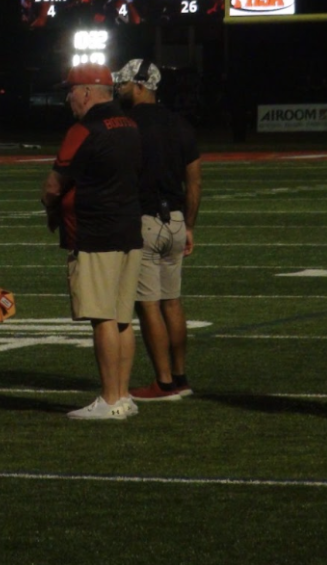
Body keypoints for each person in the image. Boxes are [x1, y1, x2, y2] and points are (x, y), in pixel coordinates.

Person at [40, 62, 142, 421]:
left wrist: (50, 208)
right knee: (122, 318)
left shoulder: (84, 129)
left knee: (101, 318)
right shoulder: (130, 123)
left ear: (86, 91)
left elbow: (54, 185)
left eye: (71, 90)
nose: (68, 98)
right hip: (130, 228)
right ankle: (124, 395)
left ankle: (110, 398)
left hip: (96, 233)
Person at [113, 58, 200, 401]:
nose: (119, 89)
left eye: (123, 84)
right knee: (172, 302)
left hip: (145, 219)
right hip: (176, 219)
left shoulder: (126, 125)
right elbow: (194, 181)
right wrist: (189, 225)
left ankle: (163, 382)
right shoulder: (179, 124)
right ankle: (180, 376)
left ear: (140, 85)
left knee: (147, 304)